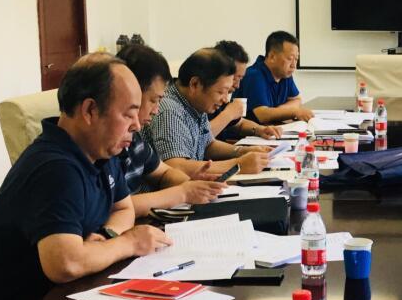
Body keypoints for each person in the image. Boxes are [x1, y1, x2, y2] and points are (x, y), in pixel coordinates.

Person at [0, 53, 172, 300]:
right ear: (90, 111)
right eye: (128, 113)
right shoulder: (55, 168)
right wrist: (129, 242)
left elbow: (123, 208)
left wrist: (107, 236)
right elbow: (65, 264)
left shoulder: (101, 149)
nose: (137, 124)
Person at [115, 44, 227, 217]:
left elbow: (165, 172)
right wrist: (183, 192)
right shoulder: (103, 145)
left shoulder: (134, 137)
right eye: (154, 100)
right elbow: (117, 207)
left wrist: (190, 184)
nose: (156, 110)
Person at [144, 47, 271, 175]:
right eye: (221, 92)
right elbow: (176, 166)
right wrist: (238, 165)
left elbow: (207, 145)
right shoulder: (170, 111)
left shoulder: (196, 104)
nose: (225, 100)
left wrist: (241, 151)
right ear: (195, 84)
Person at [208, 40, 282, 141]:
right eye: (235, 78)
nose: (238, 85)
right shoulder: (205, 100)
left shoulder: (222, 99)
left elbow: (239, 123)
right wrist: (229, 114)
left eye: (240, 79)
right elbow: (201, 139)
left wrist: (260, 130)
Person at [234, 31, 314, 124]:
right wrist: (293, 111)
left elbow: (297, 100)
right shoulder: (254, 75)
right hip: (246, 132)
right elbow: (262, 115)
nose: (293, 65)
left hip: (272, 129)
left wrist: (278, 111)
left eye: (296, 59)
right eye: (290, 58)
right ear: (272, 56)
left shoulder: (285, 74)